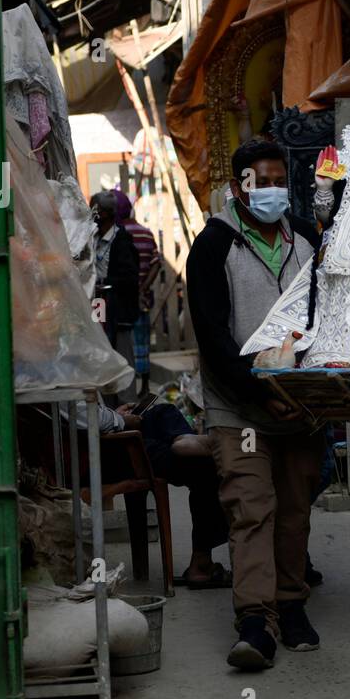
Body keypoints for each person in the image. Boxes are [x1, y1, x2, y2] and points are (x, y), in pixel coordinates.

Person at [186, 139, 325, 670]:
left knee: (294, 510)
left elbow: (327, 320)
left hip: (303, 405)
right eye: (258, 181)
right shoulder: (214, 245)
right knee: (251, 510)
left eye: (276, 180)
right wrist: (262, 392)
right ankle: (254, 620)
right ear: (237, 186)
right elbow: (214, 341)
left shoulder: (307, 241)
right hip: (238, 410)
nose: (270, 190)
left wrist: (311, 392)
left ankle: (291, 605)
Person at [63, 396, 230, 589]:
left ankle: (182, 437)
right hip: (101, 451)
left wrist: (114, 415)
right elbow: (83, 416)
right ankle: (201, 566)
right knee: (206, 464)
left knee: (163, 411)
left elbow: (87, 416)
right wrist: (120, 420)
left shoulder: (48, 374)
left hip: (105, 438)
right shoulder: (53, 378)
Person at [92, 190, 140, 404]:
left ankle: (128, 407)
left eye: (97, 210)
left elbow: (129, 277)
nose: (93, 214)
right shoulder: (92, 238)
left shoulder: (122, 239)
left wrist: (107, 282)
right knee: (101, 353)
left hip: (117, 307)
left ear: (107, 213)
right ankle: (108, 407)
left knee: (122, 355)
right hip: (98, 304)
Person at [114, 189, 161, 397]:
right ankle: (145, 387)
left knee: (124, 343)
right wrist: (142, 288)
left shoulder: (116, 234)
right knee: (142, 341)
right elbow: (155, 263)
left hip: (122, 300)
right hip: (142, 299)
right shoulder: (145, 232)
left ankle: (126, 388)